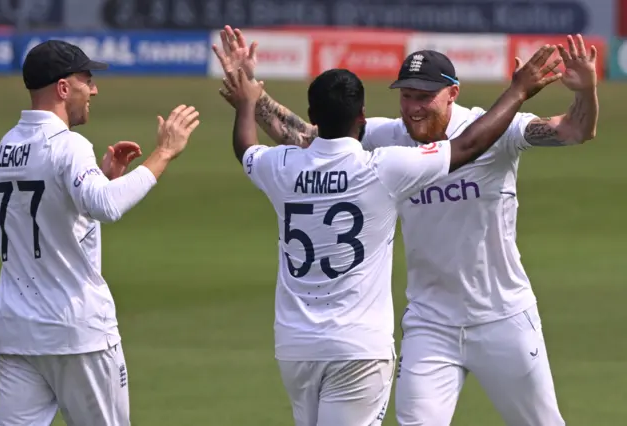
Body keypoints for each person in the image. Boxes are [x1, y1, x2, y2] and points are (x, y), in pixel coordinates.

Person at [213, 27, 599, 425]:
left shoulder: (497, 128)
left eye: (424, 96)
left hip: (503, 317)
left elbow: (574, 130)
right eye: (406, 95)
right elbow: (311, 137)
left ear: (453, 92)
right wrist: (251, 93)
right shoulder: (386, 138)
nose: (413, 108)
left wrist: (585, 91)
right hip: (430, 324)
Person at [0, 39, 200, 426]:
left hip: (18, 331)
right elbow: (107, 205)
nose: (95, 90)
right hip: (75, 331)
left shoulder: (5, 147)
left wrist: (100, 179)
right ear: (63, 88)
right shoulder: (68, 146)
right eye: (87, 80)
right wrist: (164, 153)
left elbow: (47, 216)